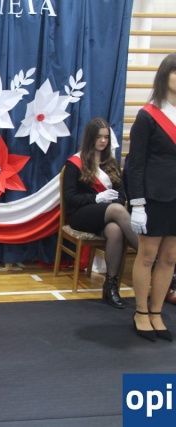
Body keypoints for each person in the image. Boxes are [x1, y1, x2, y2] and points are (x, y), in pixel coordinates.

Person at [63, 117, 138, 309]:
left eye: (106, 137)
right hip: (81, 215)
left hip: (107, 215)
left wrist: (111, 202)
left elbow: (121, 195)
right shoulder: (75, 163)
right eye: (99, 137)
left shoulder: (110, 162)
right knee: (117, 210)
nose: (103, 141)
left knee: (115, 231)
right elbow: (70, 198)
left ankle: (110, 286)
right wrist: (97, 198)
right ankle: (149, 255)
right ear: (90, 138)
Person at [127, 52, 176, 342]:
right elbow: (135, 164)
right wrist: (137, 203)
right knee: (147, 256)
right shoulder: (148, 115)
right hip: (154, 197)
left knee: (170, 258)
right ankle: (141, 312)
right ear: (165, 75)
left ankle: (157, 311)